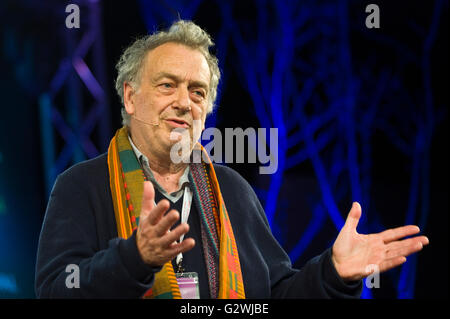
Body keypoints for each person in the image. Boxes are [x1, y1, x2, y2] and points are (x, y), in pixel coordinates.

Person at [35, 20, 429, 299]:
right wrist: (134, 259)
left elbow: (275, 293)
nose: (184, 103)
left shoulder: (232, 190)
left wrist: (332, 273)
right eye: (167, 85)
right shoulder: (80, 186)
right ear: (130, 97)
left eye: (197, 91)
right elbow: (56, 291)